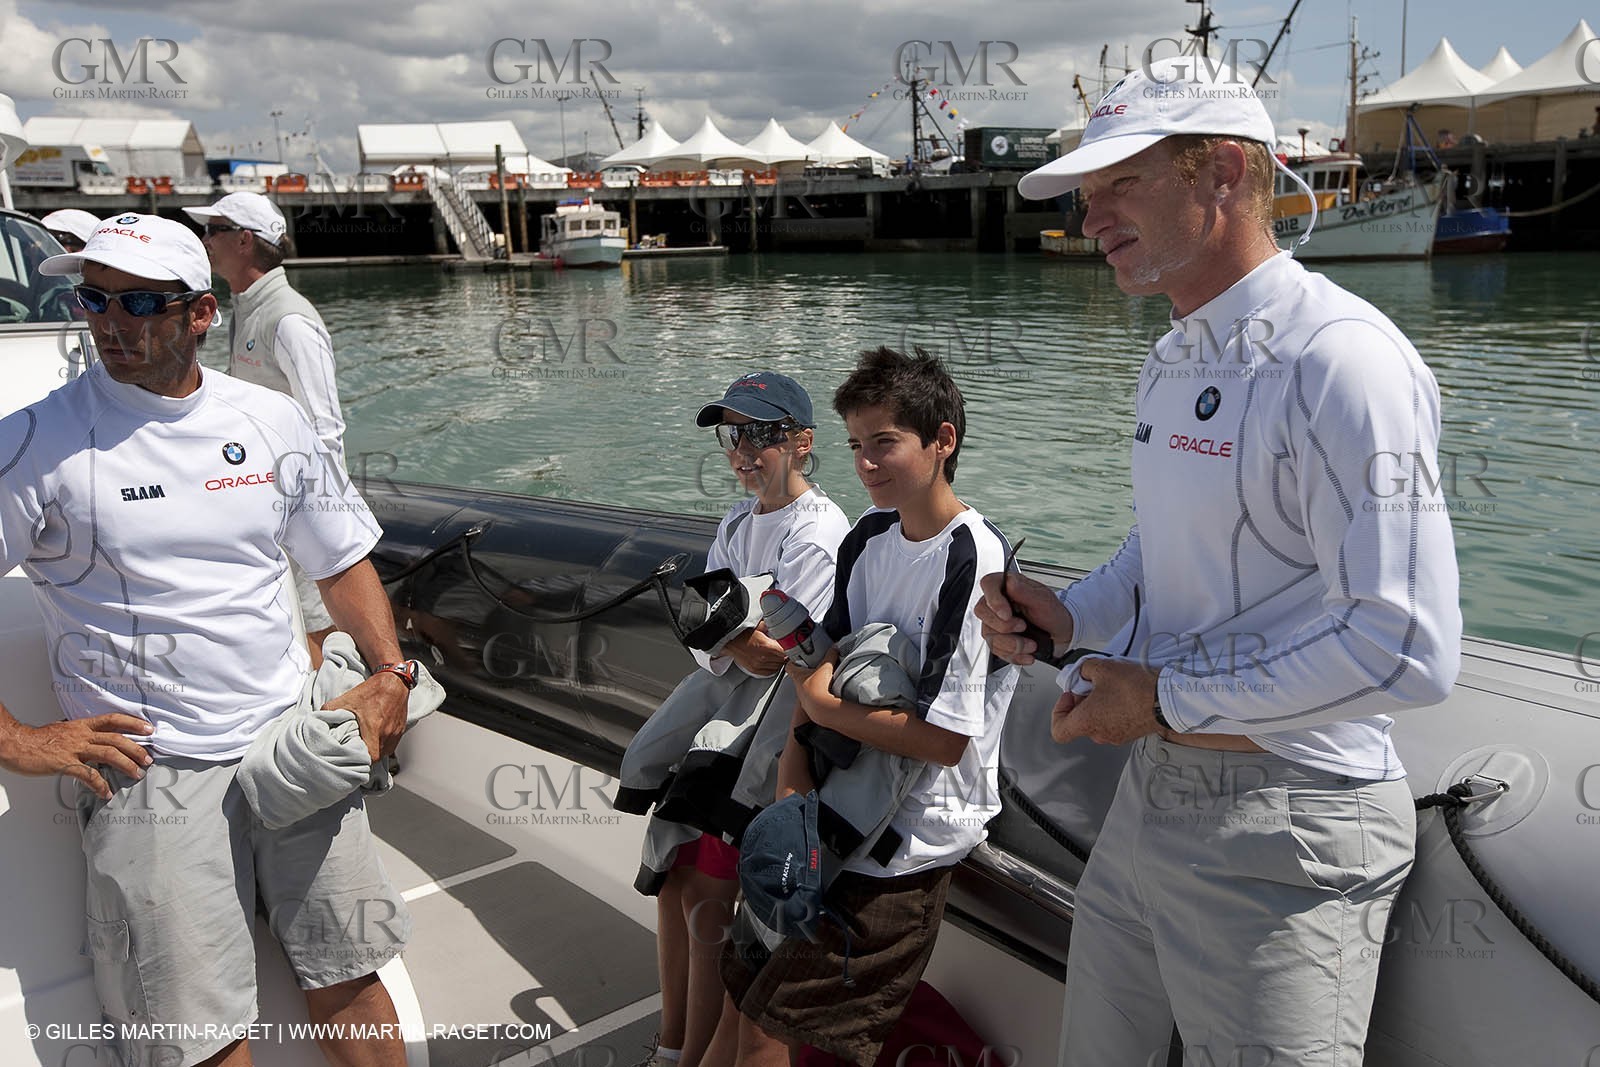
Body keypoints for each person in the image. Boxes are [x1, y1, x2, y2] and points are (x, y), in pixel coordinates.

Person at [980, 57, 1463, 1065]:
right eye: (1085, 190)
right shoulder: (1174, 357)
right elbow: (1157, 546)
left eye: (1122, 182)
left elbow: (1407, 647)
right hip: (1154, 793)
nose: (1090, 214)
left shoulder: (1342, 359)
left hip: (1291, 818)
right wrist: (1069, 617)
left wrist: (1159, 699)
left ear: (1224, 174)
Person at [0, 213, 415, 1067]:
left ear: (200, 313)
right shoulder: (32, 443)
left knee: (351, 975)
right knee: (195, 1035)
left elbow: (341, 562)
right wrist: (20, 740)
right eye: (93, 298)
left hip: (291, 743)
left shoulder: (270, 421)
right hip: (152, 773)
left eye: (140, 301)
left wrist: (391, 674)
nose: (111, 322)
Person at [720, 346, 1019, 1067]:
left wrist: (821, 713)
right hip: (832, 805)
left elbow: (947, 740)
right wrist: (791, 797)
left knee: (774, 1020)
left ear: (943, 440)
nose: (866, 464)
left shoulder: (971, 558)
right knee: (745, 981)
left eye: (885, 442)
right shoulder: (868, 537)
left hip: (908, 841)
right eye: (856, 445)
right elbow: (817, 660)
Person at [640, 371, 851, 1067]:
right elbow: (723, 638)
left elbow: (777, 655)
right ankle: (673, 1047)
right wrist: (732, 634)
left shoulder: (819, 532)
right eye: (734, 433)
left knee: (704, 894)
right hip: (722, 727)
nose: (743, 449)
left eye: (761, 432)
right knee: (674, 878)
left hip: (765, 746)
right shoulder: (736, 521)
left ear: (802, 442)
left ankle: (695, 1056)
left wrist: (728, 633)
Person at [183, 191, 347, 666]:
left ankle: (332, 724)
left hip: (296, 504)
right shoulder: (246, 308)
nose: (204, 240)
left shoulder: (289, 318)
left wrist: (323, 518)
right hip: (263, 498)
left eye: (213, 231)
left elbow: (325, 427)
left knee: (317, 623)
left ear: (243, 241)